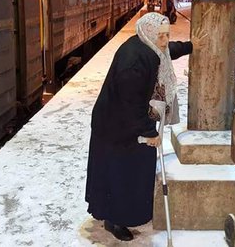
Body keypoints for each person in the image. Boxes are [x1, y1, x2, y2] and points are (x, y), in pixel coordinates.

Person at [85, 12, 204, 241]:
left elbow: (169, 49)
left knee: (131, 170)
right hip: (116, 126)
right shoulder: (134, 61)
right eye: (160, 36)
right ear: (149, 34)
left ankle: (122, 212)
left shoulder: (148, 44)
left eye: (166, 35)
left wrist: (191, 46)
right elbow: (131, 104)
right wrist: (149, 133)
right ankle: (114, 219)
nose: (164, 41)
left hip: (127, 121)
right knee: (121, 173)